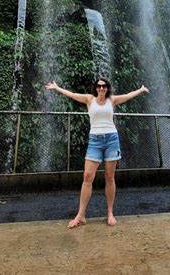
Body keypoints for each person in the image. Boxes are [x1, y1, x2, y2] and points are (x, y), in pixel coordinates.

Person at [45, 77, 149, 228]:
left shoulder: (112, 100)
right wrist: (57, 88)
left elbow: (127, 96)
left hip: (111, 139)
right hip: (95, 140)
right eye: (99, 86)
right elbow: (72, 94)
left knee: (110, 177)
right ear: (95, 88)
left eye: (104, 86)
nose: (101, 88)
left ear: (107, 88)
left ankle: (110, 213)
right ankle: (81, 215)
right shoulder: (89, 99)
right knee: (87, 176)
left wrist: (140, 90)